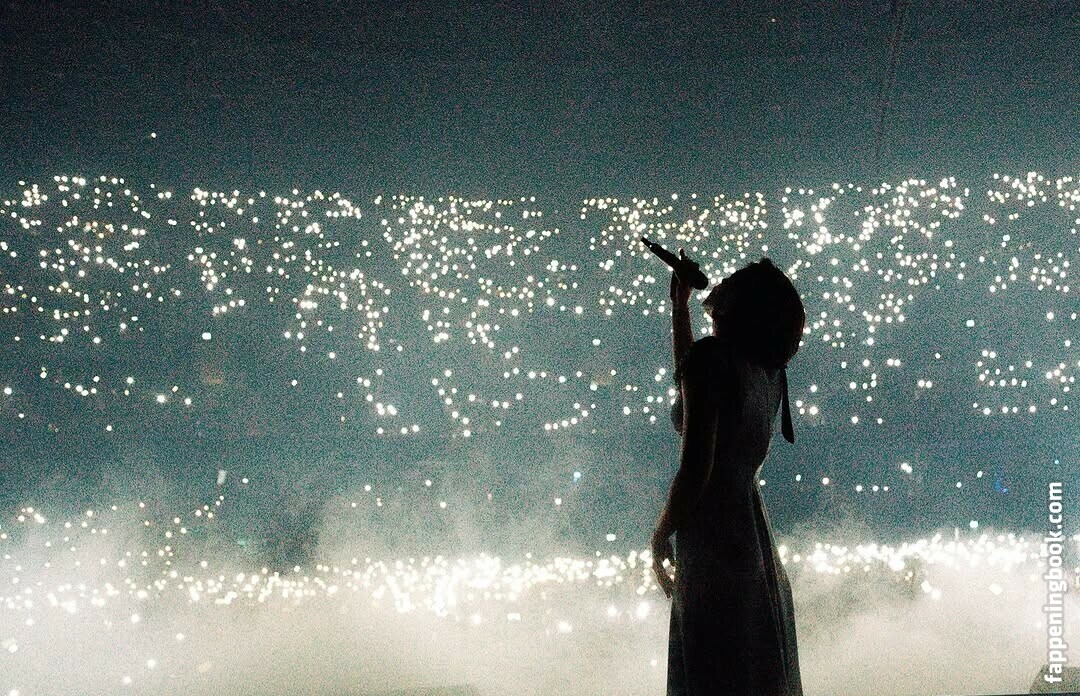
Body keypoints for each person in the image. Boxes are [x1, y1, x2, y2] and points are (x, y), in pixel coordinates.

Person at [651, 252, 805, 696]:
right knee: (752, 662)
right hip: (750, 529)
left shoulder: (712, 362)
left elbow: (695, 466)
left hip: (712, 531)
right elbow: (691, 390)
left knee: (712, 665)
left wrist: (661, 532)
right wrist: (679, 309)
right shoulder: (766, 370)